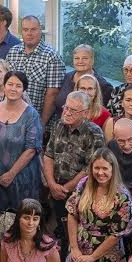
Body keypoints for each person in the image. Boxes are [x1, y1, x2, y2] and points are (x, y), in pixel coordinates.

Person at [43, 91, 106, 253]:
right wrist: (51, 184)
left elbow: (91, 168)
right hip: (56, 188)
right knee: (62, 230)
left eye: (73, 110)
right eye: (66, 108)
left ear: (85, 113)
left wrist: (66, 188)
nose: (67, 113)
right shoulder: (59, 124)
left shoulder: (94, 133)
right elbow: (49, 155)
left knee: (77, 236)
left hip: (80, 193)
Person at [0, 71, 45, 215]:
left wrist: (11, 174)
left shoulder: (31, 114)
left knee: (21, 220)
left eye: (18, 86)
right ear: (4, 86)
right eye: (10, 84)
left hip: (22, 178)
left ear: (24, 89)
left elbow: (31, 149)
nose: (13, 89)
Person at [5, 16, 64, 121]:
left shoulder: (51, 56)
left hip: (37, 119)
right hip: (12, 118)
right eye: (25, 30)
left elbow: (53, 93)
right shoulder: (13, 52)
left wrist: (42, 123)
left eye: (33, 29)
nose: (29, 33)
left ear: (40, 30)